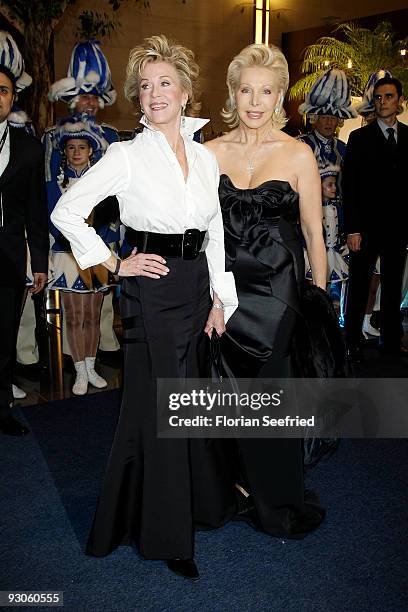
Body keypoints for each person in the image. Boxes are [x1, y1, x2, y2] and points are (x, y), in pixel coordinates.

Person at [51, 35, 238, 580]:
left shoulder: (205, 157)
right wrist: (112, 262)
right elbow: (68, 211)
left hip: (195, 285)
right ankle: (167, 535)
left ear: (185, 92)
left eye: (165, 83)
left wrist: (221, 298)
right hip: (150, 287)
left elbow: (216, 231)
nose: (154, 94)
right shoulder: (125, 155)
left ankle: (181, 505)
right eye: (145, 86)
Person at [206, 43, 326, 536]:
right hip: (225, 292)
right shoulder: (209, 152)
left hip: (279, 294)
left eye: (267, 91)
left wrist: (320, 304)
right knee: (228, 391)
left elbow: (316, 234)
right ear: (233, 94)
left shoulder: (298, 153)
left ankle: (276, 496)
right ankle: (238, 483)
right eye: (246, 90)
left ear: (280, 98)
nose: (255, 100)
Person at [45, 39, 120, 355]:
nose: (88, 103)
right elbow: (49, 187)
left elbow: (119, 192)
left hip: (106, 231)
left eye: (94, 97)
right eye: (82, 96)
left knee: (101, 302)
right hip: (66, 234)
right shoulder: (52, 136)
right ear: (71, 98)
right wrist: (61, 234)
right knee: (74, 306)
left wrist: (114, 232)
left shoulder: (113, 136)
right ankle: (76, 357)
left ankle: (101, 348)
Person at [47, 121, 119, 395]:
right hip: (67, 254)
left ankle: (91, 366)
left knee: (93, 313)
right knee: (74, 316)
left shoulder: (101, 182)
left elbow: (109, 217)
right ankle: (79, 370)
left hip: (97, 253)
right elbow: (53, 219)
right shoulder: (55, 183)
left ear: (91, 151)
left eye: (82, 147)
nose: (77, 152)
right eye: (71, 148)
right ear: (65, 152)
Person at [343, 76, 408, 360]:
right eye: (379, 97)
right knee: (358, 286)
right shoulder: (359, 138)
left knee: (394, 286)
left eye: (389, 96)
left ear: (400, 101)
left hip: (398, 229)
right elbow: (350, 186)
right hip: (365, 229)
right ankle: (352, 341)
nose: (383, 102)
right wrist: (353, 228)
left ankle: (391, 342)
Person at [0, 63, 48, 436]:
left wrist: (41, 263)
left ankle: (2, 410)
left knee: (4, 337)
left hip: (8, 259)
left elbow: (36, 211)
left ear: (12, 98)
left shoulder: (29, 149)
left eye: (3, 90)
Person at [305, 165, 349, 303]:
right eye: (329, 185)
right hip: (317, 253)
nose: (334, 188)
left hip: (334, 252)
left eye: (335, 184)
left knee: (338, 284)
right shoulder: (312, 209)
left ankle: (336, 313)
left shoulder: (338, 208)